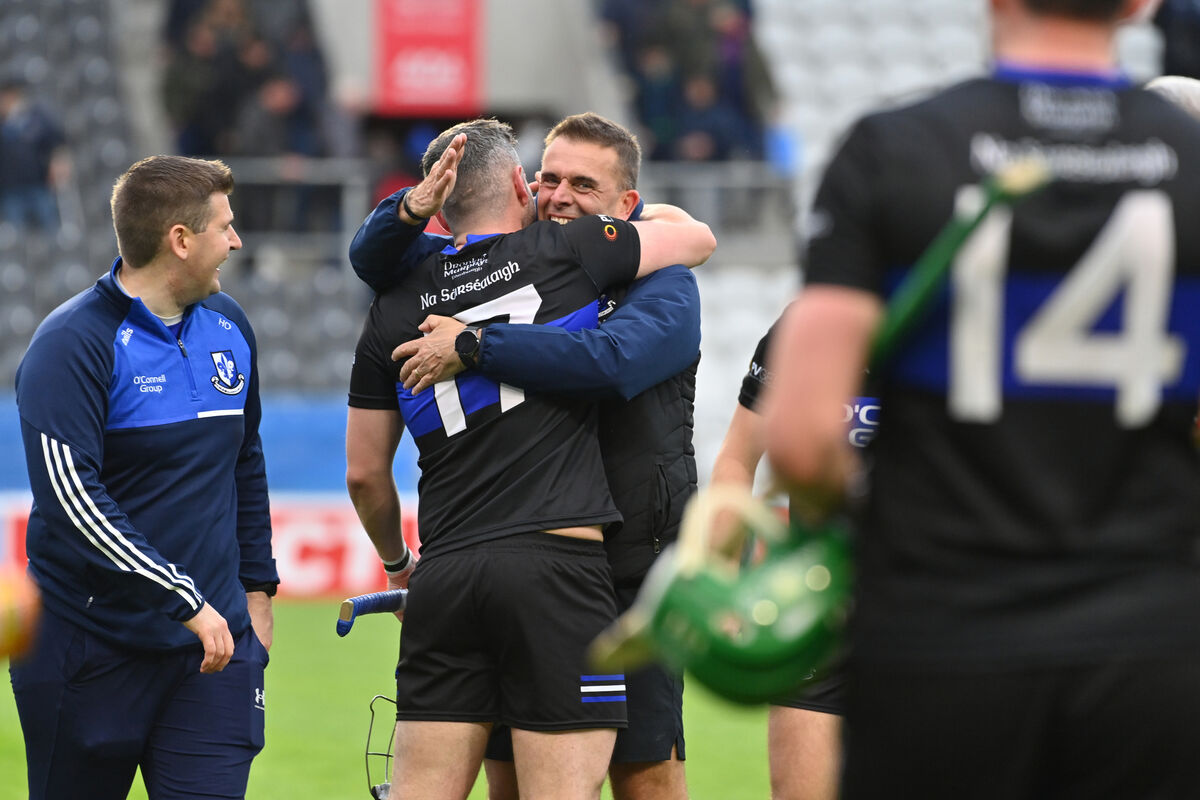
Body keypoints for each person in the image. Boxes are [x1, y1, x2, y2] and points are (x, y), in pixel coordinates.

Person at [763, 0, 1200, 797]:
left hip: (941, 642)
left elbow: (798, 441)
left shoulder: (895, 148)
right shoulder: (1190, 156)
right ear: (1140, 6)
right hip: (1149, 646)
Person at [344, 118, 714, 800]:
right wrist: (407, 211)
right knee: (510, 782)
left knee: (647, 776)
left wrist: (475, 344)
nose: (560, 194)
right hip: (555, 568)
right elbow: (371, 257)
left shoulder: (661, 286)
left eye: (584, 184)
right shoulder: (552, 256)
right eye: (549, 178)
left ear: (627, 207)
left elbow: (613, 361)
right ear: (523, 182)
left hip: (631, 578)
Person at [10, 155, 277, 800]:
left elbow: (245, 460)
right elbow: (73, 500)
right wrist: (185, 600)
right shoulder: (72, 344)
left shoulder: (230, 327)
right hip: (90, 649)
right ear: (180, 241)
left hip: (212, 654)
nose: (236, 242)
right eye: (225, 227)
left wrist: (258, 591)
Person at [708, 315, 877, 800]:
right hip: (814, 617)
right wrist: (723, 581)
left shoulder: (957, 309)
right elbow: (739, 458)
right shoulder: (802, 327)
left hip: (931, 618)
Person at [0, 76, 71, 232]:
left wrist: (58, 162)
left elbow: (56, 142)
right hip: (9, 190)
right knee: (14, 235)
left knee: (50, 228)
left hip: (38, 184)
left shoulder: (37, 117)